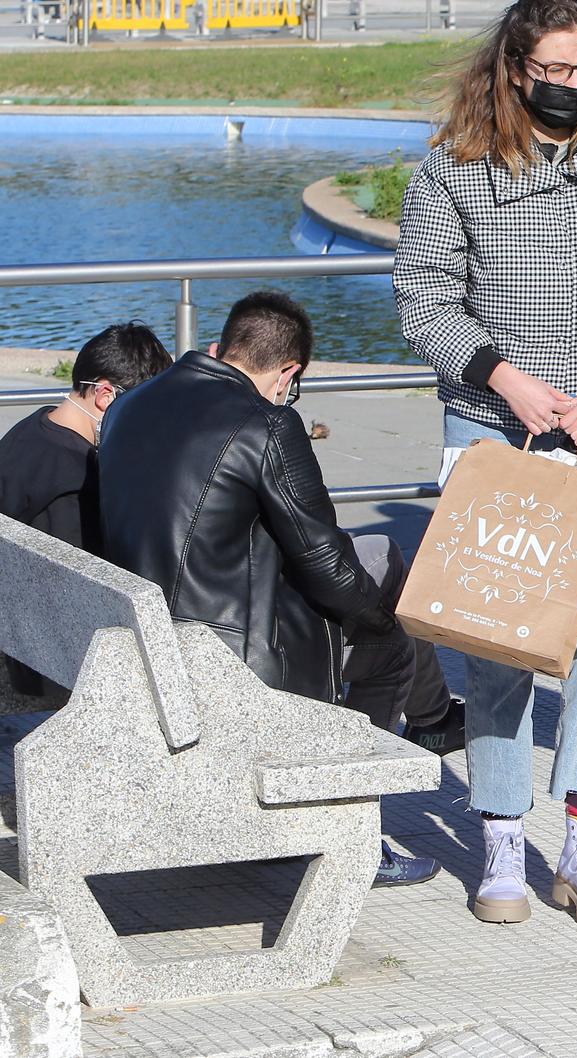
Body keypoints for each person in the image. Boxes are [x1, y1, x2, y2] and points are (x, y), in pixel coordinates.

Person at [395, 0, 577, 930]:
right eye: (551, 70)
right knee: (499, 643)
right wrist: (502, 377)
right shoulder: (454, 165)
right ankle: (501, 844)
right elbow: (424, 294)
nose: (569, 85)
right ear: (515, 66)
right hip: (495, 426)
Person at [97, 292, 456, 888]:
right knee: (390, 642)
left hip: (141, 636)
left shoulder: (131, 402)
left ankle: (436, 719)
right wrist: (383, 622)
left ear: (225, 347)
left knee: (382, 563)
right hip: (230, 660)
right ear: (288, 373)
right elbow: (330, 571)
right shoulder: (268, 423)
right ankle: (341, 838)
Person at [0, 323, 171, 696]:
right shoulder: (77, 482)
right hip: (56, 667)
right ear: (106, 394)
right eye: (142, 409)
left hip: (21, 635)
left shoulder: (30, 431)